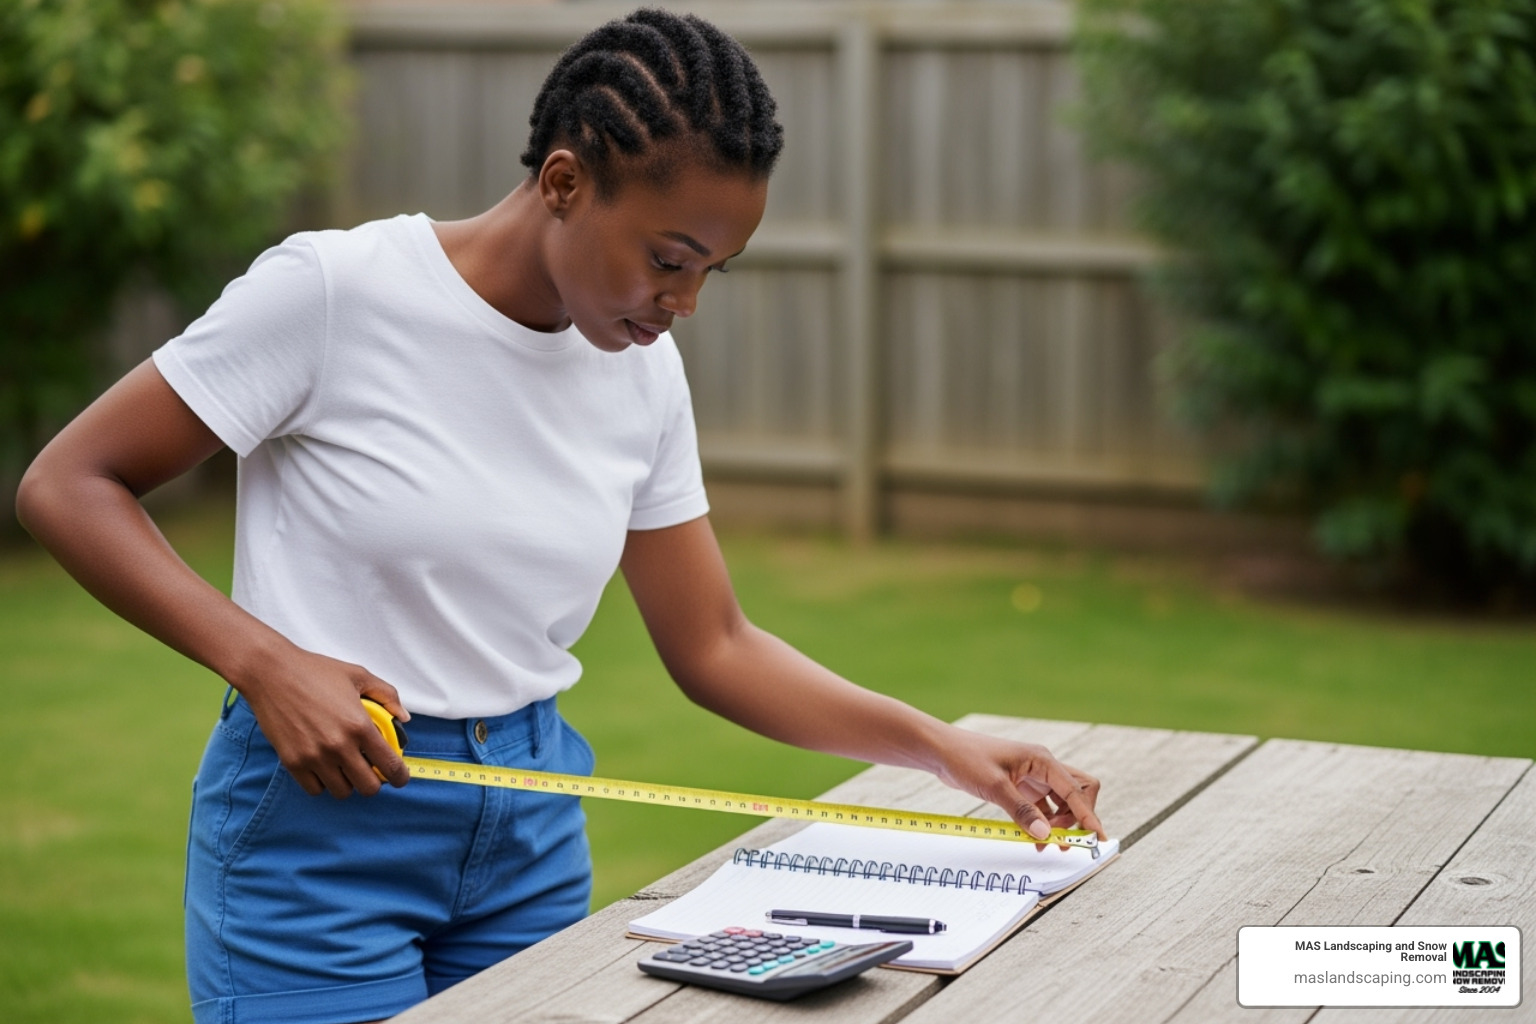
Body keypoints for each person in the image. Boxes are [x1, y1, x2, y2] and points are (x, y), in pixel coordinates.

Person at [15, 8, 1105, 1024]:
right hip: (321, 833)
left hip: (532, 829)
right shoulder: (336, 293)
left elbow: (715, 643)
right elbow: (70, 485)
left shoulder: (641, 374)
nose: (682, 304)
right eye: (669, 260)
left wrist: (944, 750)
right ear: (566, 180)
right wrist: (264, 661)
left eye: (713, 271)